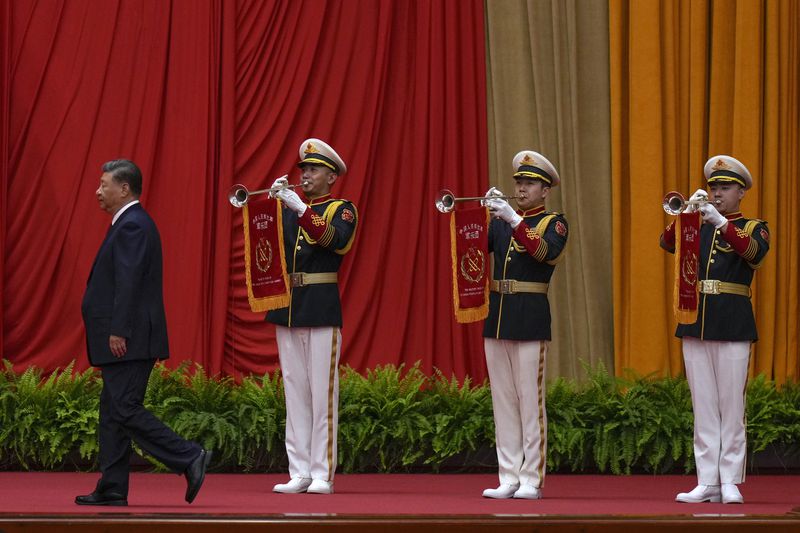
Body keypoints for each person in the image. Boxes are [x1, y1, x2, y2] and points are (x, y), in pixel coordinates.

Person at [77, 159, 211, 506]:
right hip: (126, 338)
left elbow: (129, 280)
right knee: (112, 410)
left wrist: (118, 329)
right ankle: (113, 486)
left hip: (129, 338)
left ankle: (189, 456)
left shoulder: (133, 225)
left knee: (123, 408)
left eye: (104, 184)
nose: (98, 191)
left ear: (124, 189)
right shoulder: (126, 223)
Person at [660, 155, 769, 505]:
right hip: (695, 322)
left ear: (741, 192)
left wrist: (720, 221)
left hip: (733, 322)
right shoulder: (697, 226)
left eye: (725, 188)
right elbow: (666, 242)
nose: (717, 193)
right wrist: (688, 212)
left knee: (731, 407)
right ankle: (707, 481)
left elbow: (753, 252)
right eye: (714, 188)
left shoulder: (752, 226)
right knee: (704, 405)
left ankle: (730, 480)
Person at [267, 139, 358, 495]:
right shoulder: (292, 208)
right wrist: (271, 208)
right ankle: (299, 470)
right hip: (289, 304)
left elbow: (334, 240)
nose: (305, 175)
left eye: (314, 169)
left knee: (322, 393)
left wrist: (298, 208)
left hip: (320, 305)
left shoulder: (342, 209)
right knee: (295, 392)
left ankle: (322, 472)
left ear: (331, 176)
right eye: (303, 169)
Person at [480, 151, 568, 499]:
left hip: (530, 316)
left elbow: (545, 252)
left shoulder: (553, 222)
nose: (521, 188)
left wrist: (514, 219)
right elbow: (472, 248)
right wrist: (477, 214)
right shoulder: (501, 220)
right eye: (519, 182)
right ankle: (508, 476)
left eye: (529, 183)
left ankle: (531, 477)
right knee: (503, 401)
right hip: (498, 315)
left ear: (545, 190)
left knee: (530, 401)